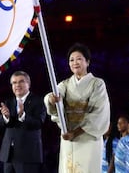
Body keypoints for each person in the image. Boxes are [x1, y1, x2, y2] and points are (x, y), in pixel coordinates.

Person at [44, 42, 110, 173]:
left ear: (87, 62)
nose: (75, 62)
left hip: (88, 137)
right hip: (68, 137)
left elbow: (99, 114)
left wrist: (76, 132)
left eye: (79, 59)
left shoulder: (97, 84)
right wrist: (52, 99)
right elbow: (53, 95)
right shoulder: (65, 84)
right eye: (71, 60)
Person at [0, 71, 46, 173]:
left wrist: (23, 115)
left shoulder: (38, 101)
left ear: (28, 84)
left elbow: (39, 123)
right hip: (8, 154)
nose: (17, 85)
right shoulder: (9, 102)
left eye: (21, 82)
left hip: (28, 155)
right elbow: (0, 122)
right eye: (14, 83)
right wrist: (5, 117)